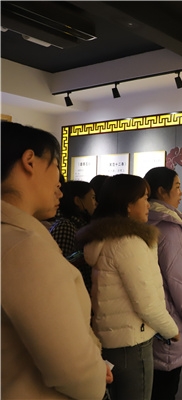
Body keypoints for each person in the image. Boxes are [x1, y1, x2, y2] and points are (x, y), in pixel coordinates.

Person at [1, 121, 110, 399]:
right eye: (56, 167)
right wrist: (95, 374)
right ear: (30, 161)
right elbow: (75, 371)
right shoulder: (24, 248)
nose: (59, 186)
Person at [77, 174, 180, 400]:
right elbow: (146, 302)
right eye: (144, 198)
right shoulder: (128, 242)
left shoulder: (106, 238)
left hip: (111, 339)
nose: (148, 204)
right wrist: (171, 330)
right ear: (128, 205)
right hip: (132, 342)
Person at [144, 167, 182, 400]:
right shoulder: (170, 228)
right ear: (162, 191)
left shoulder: (145, 221)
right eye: (177, 187)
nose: (181, 192)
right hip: (172, 321)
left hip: (152, 319)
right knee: (166, 387)